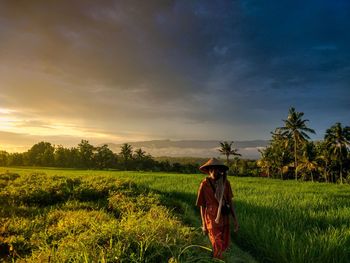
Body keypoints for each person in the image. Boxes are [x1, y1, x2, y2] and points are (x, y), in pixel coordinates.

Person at [196, 158, 239, 259]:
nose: (215, 172)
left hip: (224, 219)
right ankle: (218, 259)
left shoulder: (225, 183)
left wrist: (235, 220)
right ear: (209, 171)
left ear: (221, 171)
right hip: (211, 219)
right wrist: (204, 224)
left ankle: (217, 258)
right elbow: (202, 205)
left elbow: (230, 202)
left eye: (217, 169)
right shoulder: (204, 185)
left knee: (223, 244)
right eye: (212, 169)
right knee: (216, 242)